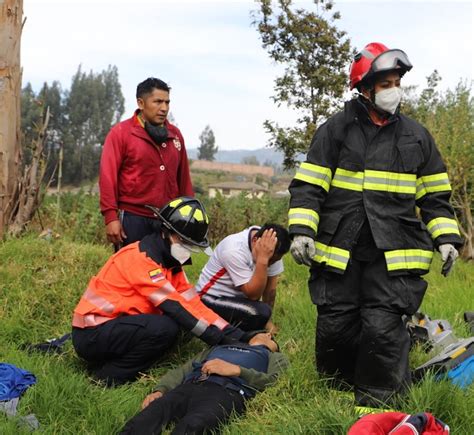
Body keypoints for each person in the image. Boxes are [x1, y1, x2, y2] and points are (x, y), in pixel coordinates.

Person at [288, 42, 462, 407]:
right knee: (337, 321)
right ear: (365, 89)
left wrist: (446, 237)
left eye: (397, 81)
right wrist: (302, 230)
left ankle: (374, 403)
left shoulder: (417, 136)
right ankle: (333, 393)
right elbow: (309, 186)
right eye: (385, 84)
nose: (393, 90)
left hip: (394, 249)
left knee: (382, 325)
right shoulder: (335, 130)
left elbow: (435, 197)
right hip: (341, 246)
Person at [72, 197, 250, 387]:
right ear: (166, 232)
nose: (187, 251)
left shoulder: (171, 265)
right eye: (185, 243)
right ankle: (107, 377)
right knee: (166, 328)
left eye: (191, 245)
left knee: (184, 322)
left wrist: (239, 336)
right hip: (91, 334)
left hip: (118, 328)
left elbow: (193, 305)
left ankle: (116, 363)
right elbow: (175, 308)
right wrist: (221, 340)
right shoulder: (140, 260)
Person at [119, 332, 288, 435]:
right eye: (264, 333)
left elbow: (275, 380)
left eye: (273, 338)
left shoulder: (273, 357)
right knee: (145, 420)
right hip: (190, 385)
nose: (268, 335)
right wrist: (160, 390)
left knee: (194, 427)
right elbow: (182, 370)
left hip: (226, 392)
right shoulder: (217, 348)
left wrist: (237, 370)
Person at [99, 77, 194, 249]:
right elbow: (107, 177)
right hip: (133, 219)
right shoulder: (121, 133)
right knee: (132, 272)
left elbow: (184, 180)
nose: (164, 108)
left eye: (167, 102)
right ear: (141, 103)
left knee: (169, 272)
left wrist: (188, 217)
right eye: (158, 102)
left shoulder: (175, 135)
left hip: (170, 220)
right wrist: (110, 217)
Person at [195, 224, 291, 332]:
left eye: (273, 261)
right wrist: (263, 259)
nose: (269, 264)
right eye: (269, 260)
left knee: (262, 312)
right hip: (208, 298)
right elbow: (253, 295)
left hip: (238, 299)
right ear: (255, 240)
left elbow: (270, 291)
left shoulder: (271, 246)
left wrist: (267, 320)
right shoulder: (233, 249)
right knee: (258, 312)